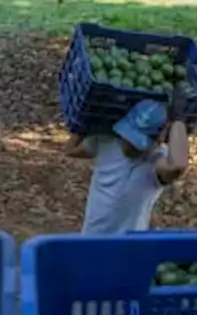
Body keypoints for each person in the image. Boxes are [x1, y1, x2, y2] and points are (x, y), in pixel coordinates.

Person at [64, 85, 190, 233]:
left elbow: (178, 166)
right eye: (128, 136)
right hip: (92, 239)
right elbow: (71, 149)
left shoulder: (154, 162)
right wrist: (86, 120)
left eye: (137, 142)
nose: (129, 145)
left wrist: (178, 121)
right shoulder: (108, 141)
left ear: (157, 141)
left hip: (127, 249)